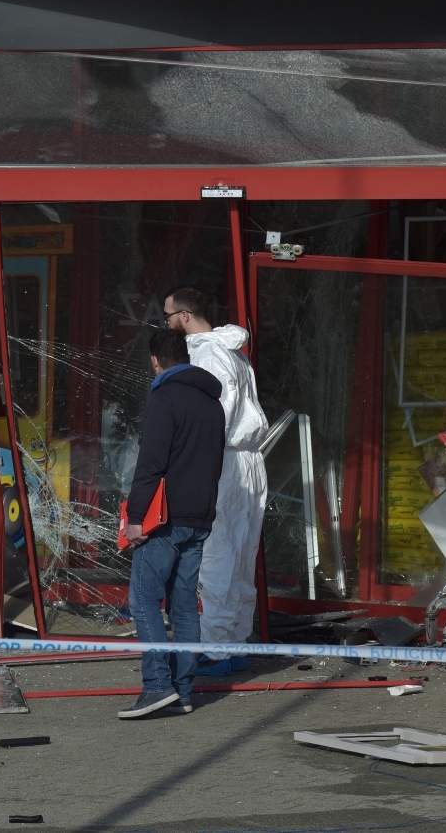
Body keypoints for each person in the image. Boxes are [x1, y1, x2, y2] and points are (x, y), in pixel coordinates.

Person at [162, 284, 270, 676]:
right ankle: (234, 643)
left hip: (223, 461)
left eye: (168, 315)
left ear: (184, 317)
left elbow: (211, 417)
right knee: (239, 556)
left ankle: (215, 650)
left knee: (217, 556)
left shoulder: (205, 355)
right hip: (247, 462)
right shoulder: (232, 352)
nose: (166, 323)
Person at [119, 330, 226, 720]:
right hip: (200, 518)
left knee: (143, 600)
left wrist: (134, 518)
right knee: (184, 606)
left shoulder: (165, 399)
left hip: (164, 520)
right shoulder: (212, 404)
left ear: (155, 360)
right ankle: (183, 691)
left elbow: (150, 464)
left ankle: (157, 686)